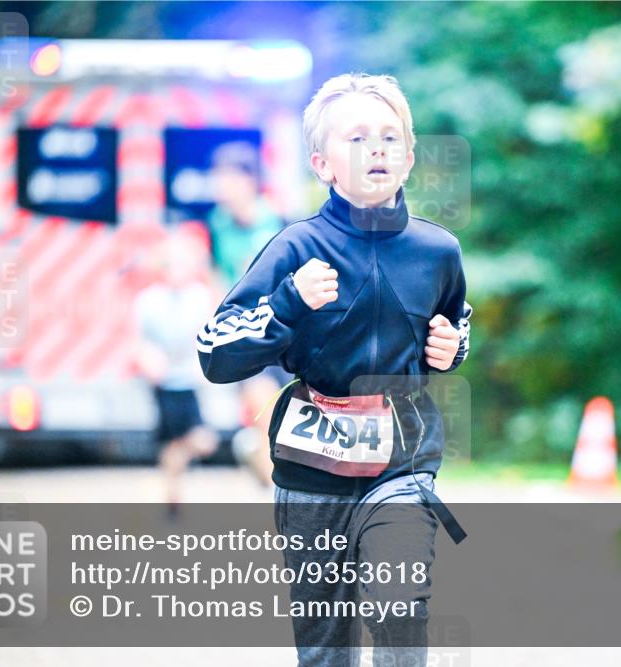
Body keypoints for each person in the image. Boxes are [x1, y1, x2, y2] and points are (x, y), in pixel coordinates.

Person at [196, 73, 472, 666]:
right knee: (325, 648)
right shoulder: (294, 249)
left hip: (401, 466)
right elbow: (214, 352)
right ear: (323, 165)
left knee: (399, 605)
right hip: (311, 474)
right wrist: (287, 303)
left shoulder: (438, 252)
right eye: (357, 138)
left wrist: (452, 347)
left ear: (409, 158)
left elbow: (454, 324)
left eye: (390, 137)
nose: (377, 149)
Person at [206, 140, 292, 486]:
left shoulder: (278, 221)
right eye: (217, 178)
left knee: (284, 416)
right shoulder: (217, 224)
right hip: (245, 333)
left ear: (249, 181)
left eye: (227, 178)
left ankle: (256, 454)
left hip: (285, 330)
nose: (220, 186)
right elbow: (215, 273)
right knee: (262, 406)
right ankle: (276, 491)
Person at [134, 234, 219, 517]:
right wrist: (147, 359)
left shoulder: (200, 297)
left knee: (200, 441)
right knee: (174, 442)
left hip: (190, 382)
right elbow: (140, 341)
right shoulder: (148, 301)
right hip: (165, 383)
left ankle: (171, 491)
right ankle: (172, 497)